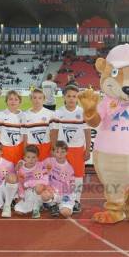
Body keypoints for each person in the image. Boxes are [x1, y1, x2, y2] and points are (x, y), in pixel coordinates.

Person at [51, 84, 91, 213]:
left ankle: (77, 201)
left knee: (78, 176)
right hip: (62, 151)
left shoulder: (82, 112)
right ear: (64, 97)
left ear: (78, 98)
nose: (71, 99)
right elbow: (54, 132)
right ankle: (57, 201)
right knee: (59, 175)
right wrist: (54, 149)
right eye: (69, 96)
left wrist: (88, 149)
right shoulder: (58, 112)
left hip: (77, 149)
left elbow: (87, 132)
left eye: (74, 96)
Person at [15, 145, 50, 219]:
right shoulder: (21, 169)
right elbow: (20, 184)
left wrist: (29, 183)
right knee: (18, 210)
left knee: (38, 187)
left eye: (34, 157)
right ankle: (37, 205)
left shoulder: (41, 166)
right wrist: (21, 196)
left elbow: (46, 181)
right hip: (28, 192)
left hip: (41, 190)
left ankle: (36, 208)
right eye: (28, 157)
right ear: (24, 158)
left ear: (37, 158)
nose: (31, 160)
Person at [43, 141, 75, 218]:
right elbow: (38, 168)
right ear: (53, 152)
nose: (60, 154)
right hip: (52, 191)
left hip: (64, 193)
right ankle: (52, 204)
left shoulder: (69, 168)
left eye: (63, 152)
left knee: (65, 213)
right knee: (44, 195)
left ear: (67, 152)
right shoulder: (48, 161)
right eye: (57, 152)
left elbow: (71, 186)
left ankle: (69, 204)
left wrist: (66, 195)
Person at [22, 89, 54, 161]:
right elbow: (25, 134)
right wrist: (25, 150)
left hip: (46, 147)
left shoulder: (50, 114)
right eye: (34, 97)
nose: (37, 100)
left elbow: (52, 133)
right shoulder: (25, 115)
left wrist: (52, 148)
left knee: (45, 170)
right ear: (31, 99)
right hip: (31, 147)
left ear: (44, 99)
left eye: (40, 98)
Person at [0, 90, 24, 164]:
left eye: (16, 99)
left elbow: (25, 133)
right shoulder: (1, 115)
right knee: (5, 169)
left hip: (19, 147)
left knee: (18, 168)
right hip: (5, 147)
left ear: (20, 102)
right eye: (10, 99)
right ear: (6, 101)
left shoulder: (23, 116)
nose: (13, 101)